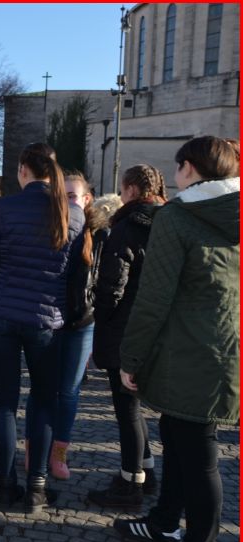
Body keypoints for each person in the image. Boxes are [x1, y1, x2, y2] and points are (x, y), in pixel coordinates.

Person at [114, 136, 239, 542]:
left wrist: (131, 357)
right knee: (179, 439)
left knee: (200, 456)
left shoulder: (178, 216)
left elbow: (154, 298)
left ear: (189, 168)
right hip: (221, 350)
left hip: (190, 353)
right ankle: (165, 522)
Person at [0, 142, 83, 510]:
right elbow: (75, 273)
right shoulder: (73, 214)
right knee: (43, 401)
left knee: (5, 403)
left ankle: (6, 486)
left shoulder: (4, 209)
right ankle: (37, 486)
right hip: (46, 320)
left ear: (23, 169)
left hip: (2, 315)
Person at [87, 164, 167, 508]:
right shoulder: (170, 223)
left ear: (132, 189)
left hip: (124, 326)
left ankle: (129, 482)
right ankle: (146, 471)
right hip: (157, 325)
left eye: (122, 189)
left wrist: (101, 319)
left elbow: (112, 286)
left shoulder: (127, 227)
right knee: (133, 405)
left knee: (127, 408)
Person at [27, 173, 110, 480]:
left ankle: (58, 452)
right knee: (41, 389)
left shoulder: (100, 235)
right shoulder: (46, 229)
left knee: (69, 392)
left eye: (72, 196)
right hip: (48, 319)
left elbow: (104, 279)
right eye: (62, 197)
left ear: (87, 200)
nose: (67, 202)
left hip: (81, 322)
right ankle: (34, 450)